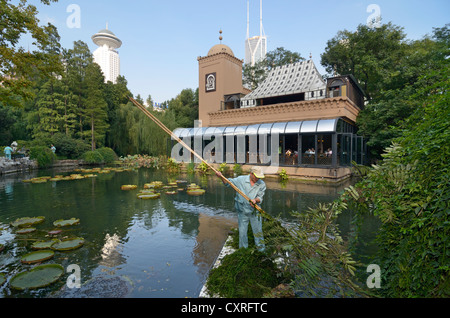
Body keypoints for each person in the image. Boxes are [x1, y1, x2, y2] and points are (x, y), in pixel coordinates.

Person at [216, 166, 266, 251]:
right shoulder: (241, 180)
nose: (258, 179)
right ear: (251, 174)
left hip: (255, 211)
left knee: (258, 232)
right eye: (256, 177)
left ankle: (261, 251)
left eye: (259, 177)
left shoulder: (262, 184)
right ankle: (243, 250)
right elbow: (228, 183)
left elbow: (260, 197)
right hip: (242, 210)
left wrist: (255, 200)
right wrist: (221, 177)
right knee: (242, 232)